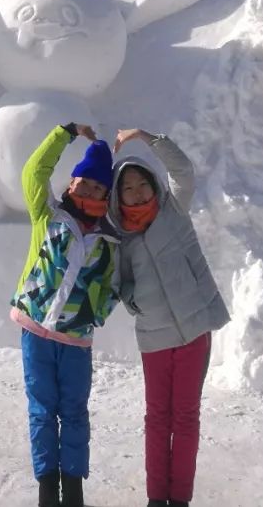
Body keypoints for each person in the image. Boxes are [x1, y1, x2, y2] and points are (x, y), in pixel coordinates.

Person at [107, 127, 229, 507]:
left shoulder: (174, 210)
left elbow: (184, 171)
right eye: (128, 188)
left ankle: (180, 500)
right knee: (158, 418)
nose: (137, 192)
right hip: (154, 337)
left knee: (186, 417)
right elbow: (117, 282)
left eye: (142, 183)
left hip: (194, 330)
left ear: (153, 184)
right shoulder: (121, 238)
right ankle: (156, 498)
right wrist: (133, 299)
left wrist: (146, 137)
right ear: (118, 195)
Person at [10, 123, 120, 507]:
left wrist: (97, 312)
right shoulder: (48, 216)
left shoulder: (109, 241)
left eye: (98, 187)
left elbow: (116, 285)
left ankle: (73, 490)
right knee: (41, 411)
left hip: (75, 341)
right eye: (84, 182)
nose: (89, 190)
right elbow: (33, 172)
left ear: (106, 195)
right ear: (72, 183)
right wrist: (65, 133)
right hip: (35, 332)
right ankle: (46, 490)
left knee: (74, 412)